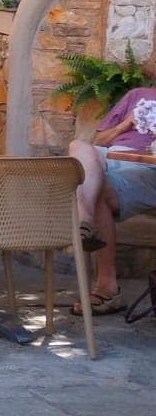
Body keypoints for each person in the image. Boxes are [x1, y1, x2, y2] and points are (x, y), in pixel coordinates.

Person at [67, 83, 156, 315]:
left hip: (145, 167)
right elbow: (99, 141)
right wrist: (125, 124)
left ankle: (107, 287)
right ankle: (85, 221)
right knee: (79, 147)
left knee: (95, 187)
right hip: (109, 156)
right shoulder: (137, 95)